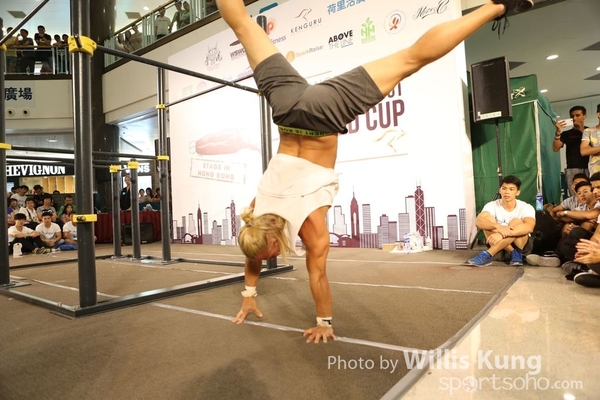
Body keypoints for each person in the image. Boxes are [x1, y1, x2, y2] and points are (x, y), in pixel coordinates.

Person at [217, 0, 535, 343]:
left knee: (412, 59)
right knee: (243, 25)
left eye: (269, 254)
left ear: (274, 240)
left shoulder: (310, 226)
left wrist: (324, 322)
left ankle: (497, 7)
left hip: (323, 115)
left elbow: (317, 276)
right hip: (286, 106)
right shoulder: (255, 213)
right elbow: (254, 253)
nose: (268, 259)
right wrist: (249, 294)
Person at [467, 175, 535, 267]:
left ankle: (488, 254)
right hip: (499, 249)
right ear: (500, 190)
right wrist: (498, 227)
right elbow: (478, 222)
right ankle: (513, 252)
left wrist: (501, 234)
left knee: (516, 222)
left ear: (518, 192)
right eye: (504, 188)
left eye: (511, 189)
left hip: (520, 248)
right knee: (487, 220)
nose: (507, 192)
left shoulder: (526, 207)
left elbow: (529, 227)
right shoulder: (491, 205)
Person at [554, 106, 589, 195]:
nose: (574, 118)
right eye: (572, 116)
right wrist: (558, 132)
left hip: (590, 167)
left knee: (591, 193)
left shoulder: (590, 131)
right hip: (572, 168)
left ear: (584, 116)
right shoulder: (566, 134)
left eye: (577, 115)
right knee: (575, 194)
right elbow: (555, 148)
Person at [580, 104, 600, 175]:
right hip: (596, 173)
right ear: (599, 114)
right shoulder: (589, 131)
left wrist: (593, 149)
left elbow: (588, 150)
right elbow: (584, 151)